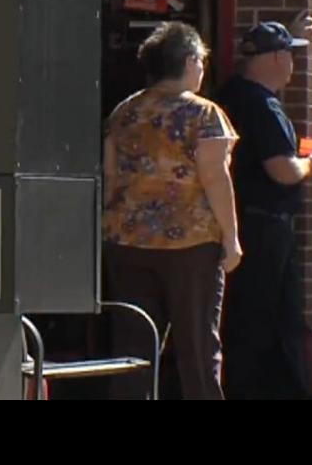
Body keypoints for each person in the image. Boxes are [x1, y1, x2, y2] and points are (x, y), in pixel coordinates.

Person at [103, 21, 241, 400]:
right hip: (191, 245)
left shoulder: (124, 113)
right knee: (198, 348)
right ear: (190, 61)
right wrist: (231, 238)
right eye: (201, 61)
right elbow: (214, 177)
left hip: (126, 240)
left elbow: (110, 175)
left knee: (133, 348)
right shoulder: (204, 114)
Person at [215, 17, 312, 400]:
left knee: (257, 317)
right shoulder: (262, 104)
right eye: (290, 55)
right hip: (264, 228)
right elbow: (282, 169)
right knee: (265, 321)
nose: (293, 64)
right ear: (277, 58)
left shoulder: (231, 93)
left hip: (241, 222)